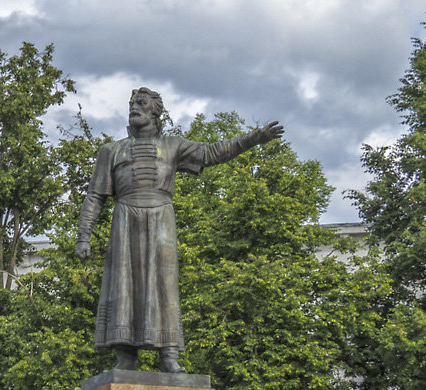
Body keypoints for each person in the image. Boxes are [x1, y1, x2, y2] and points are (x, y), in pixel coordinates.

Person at [76, 87, 284, 372]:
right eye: (132, 103)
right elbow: (95, 196)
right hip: (124, 220)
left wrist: (254, 139)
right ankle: (125, 355)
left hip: (161, 217)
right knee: (122, 286)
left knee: (164, 284)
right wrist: (83, 236)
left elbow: (212, 152)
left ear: (155, 111)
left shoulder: (172, 145)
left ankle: (169, 354)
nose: (134, 106)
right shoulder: (111, 151)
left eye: (142, 102)